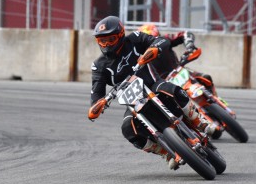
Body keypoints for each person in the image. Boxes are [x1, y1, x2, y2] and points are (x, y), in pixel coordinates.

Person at [88, 16, 217, 170]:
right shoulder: (98, 66)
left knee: (173, 90)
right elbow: (96, 95)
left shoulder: (134, 39)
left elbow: (161, 40)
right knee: (127, 129)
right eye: (102, 41)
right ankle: (165, 152)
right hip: (134, 103)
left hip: (153, 85)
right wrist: (97, 105)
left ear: (121, 34)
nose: (107, 44)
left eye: (111, 39)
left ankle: (199, 121)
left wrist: (154, 48)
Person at [137, 24, 217, 95]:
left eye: (155, 39)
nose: (154, 43)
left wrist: (189, 44)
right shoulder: (140, 57)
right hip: (164, 82)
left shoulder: (165, 39)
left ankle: (215, 98)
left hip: (180, 71)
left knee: (206, 78)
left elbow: (184, 34)